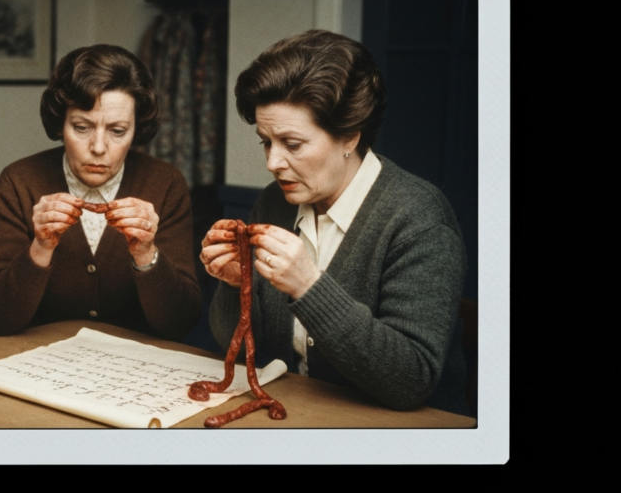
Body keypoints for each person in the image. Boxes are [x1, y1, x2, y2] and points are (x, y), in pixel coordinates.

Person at [201, 30, 470, 415]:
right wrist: (233, 284)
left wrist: (309, 287)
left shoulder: (420, 220)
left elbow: (411, 380)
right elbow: (249, 357)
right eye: (265, 141)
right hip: (299, 416)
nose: (272, 162)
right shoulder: (274, 202)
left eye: (292, 144)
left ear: (349, 137)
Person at [0, 44, 200, 341]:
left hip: (137, 367)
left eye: (117, 131)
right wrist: (39, 249)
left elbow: (181, 322)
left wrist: (147, 255)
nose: (98, 147)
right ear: (61, 123)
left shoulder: (166, 183)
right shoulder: (19, 181)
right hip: (38, 362)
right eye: (82, 127)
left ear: (138, 129)